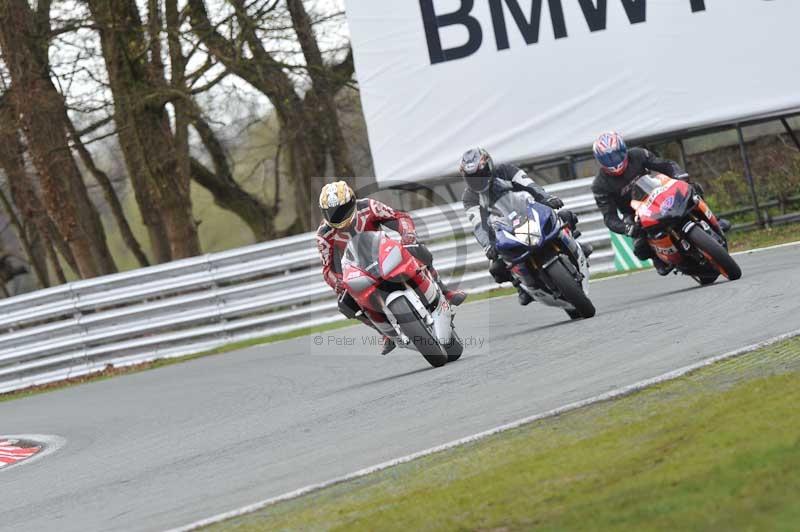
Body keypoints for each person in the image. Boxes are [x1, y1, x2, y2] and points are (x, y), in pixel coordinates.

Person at [316, 181, 466, 355]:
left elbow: (399, 217)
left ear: (352, 201)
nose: (339, 216)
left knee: (417, 249)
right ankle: (383, 332)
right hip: (358, 270)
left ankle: (444, 291)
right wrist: (339, 283)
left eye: (342, 209)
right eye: (332, 213)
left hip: (384, 252)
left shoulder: (368, 206)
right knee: (345, 303)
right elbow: (327, 269)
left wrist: (407, 235)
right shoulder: (324, 235)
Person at [460, 148, 591, 306]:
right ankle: (520, 287)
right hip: (504, 228)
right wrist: (488, 245)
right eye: (472, 178)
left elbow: (529, 185)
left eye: (481, 174)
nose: (478, 180)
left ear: (489, 166)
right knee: (496, 268)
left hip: (528, 212)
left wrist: (547, 198)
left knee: (565, 215)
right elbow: (478, 224)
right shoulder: (469, 197)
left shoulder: (506, 171)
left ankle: (576, 245)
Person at [591, 131, 728, 276]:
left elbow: (666, 165)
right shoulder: (600, 185)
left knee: (693, 188)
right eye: (607, 158)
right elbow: (609, 217)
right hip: (633, 212)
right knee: (640, 248)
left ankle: (714, 219)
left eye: (616, 155)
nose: (613, 161)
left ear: (623, 149)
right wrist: (626, 228)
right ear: (599, 160)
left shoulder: (638, 154)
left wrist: (678, 175)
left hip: (657, 192)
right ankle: (658, 258)